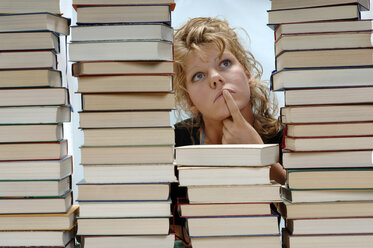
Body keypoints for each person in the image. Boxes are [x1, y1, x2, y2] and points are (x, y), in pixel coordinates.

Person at [171, 17, 286, 247]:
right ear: (190, 100)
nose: (216, 78)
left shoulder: (282, 137)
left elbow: (308, 217)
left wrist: (261, 157)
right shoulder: (176, 142)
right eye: (199, 75)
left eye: (224, 63)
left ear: (248, 73)